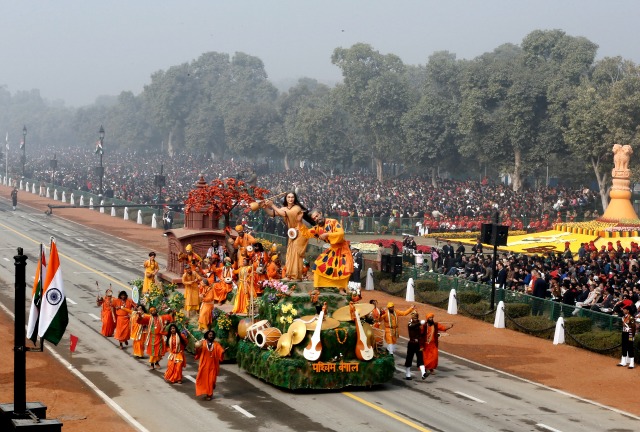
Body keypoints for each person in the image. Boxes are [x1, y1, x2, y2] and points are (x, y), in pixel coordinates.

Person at [297, 208, 354, 291]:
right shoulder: (317, 229)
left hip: (343, 249)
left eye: (317, 216)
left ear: (320, 213)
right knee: (318, 264)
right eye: (314, 218)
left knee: (342, 268)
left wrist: (327, 234)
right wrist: (299, 221)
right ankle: (317, 287)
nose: (317, 218)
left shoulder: (333, 222)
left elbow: (341, 233)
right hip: (333, 249)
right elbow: (306, 234)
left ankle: (341, 289)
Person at [263, 192, 310, 281]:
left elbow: (284, 213)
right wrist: (265, 208)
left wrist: (272, 205)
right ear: (286, 199)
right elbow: (272, 213)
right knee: (289, 253)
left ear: (294, 198)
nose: (290, 199)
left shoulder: (297, 208)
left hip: (300, 232)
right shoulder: (284, 208)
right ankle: (289, 274)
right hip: (292, 233)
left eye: (292, 197)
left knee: (296, 254)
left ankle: (297, 276)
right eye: (288, 197)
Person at [195, 329, 225, 401]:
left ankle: (209, 394)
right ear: (207, 335)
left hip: (213, 366)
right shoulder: (202, 343)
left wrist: (223, 352)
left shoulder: (216, 344)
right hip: (204, 365)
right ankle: (205, 392)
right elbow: (197, 352)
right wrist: (197, 347)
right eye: (209, 335)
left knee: (211, 381)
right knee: (202, 379)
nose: (211, 336)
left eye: (212, 335)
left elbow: (220, 350)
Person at [404, 310, 427, 380]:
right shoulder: (410, 323)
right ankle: (408, 374)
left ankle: (423, 373)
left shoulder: (418, 323)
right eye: (414, 318)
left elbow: (422, 333)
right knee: (409, 358)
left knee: (420, 357)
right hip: (411, 343)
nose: (416, 319)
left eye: (417, 318)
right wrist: (420, 323)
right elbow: (412, 326)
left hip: (418, 344)